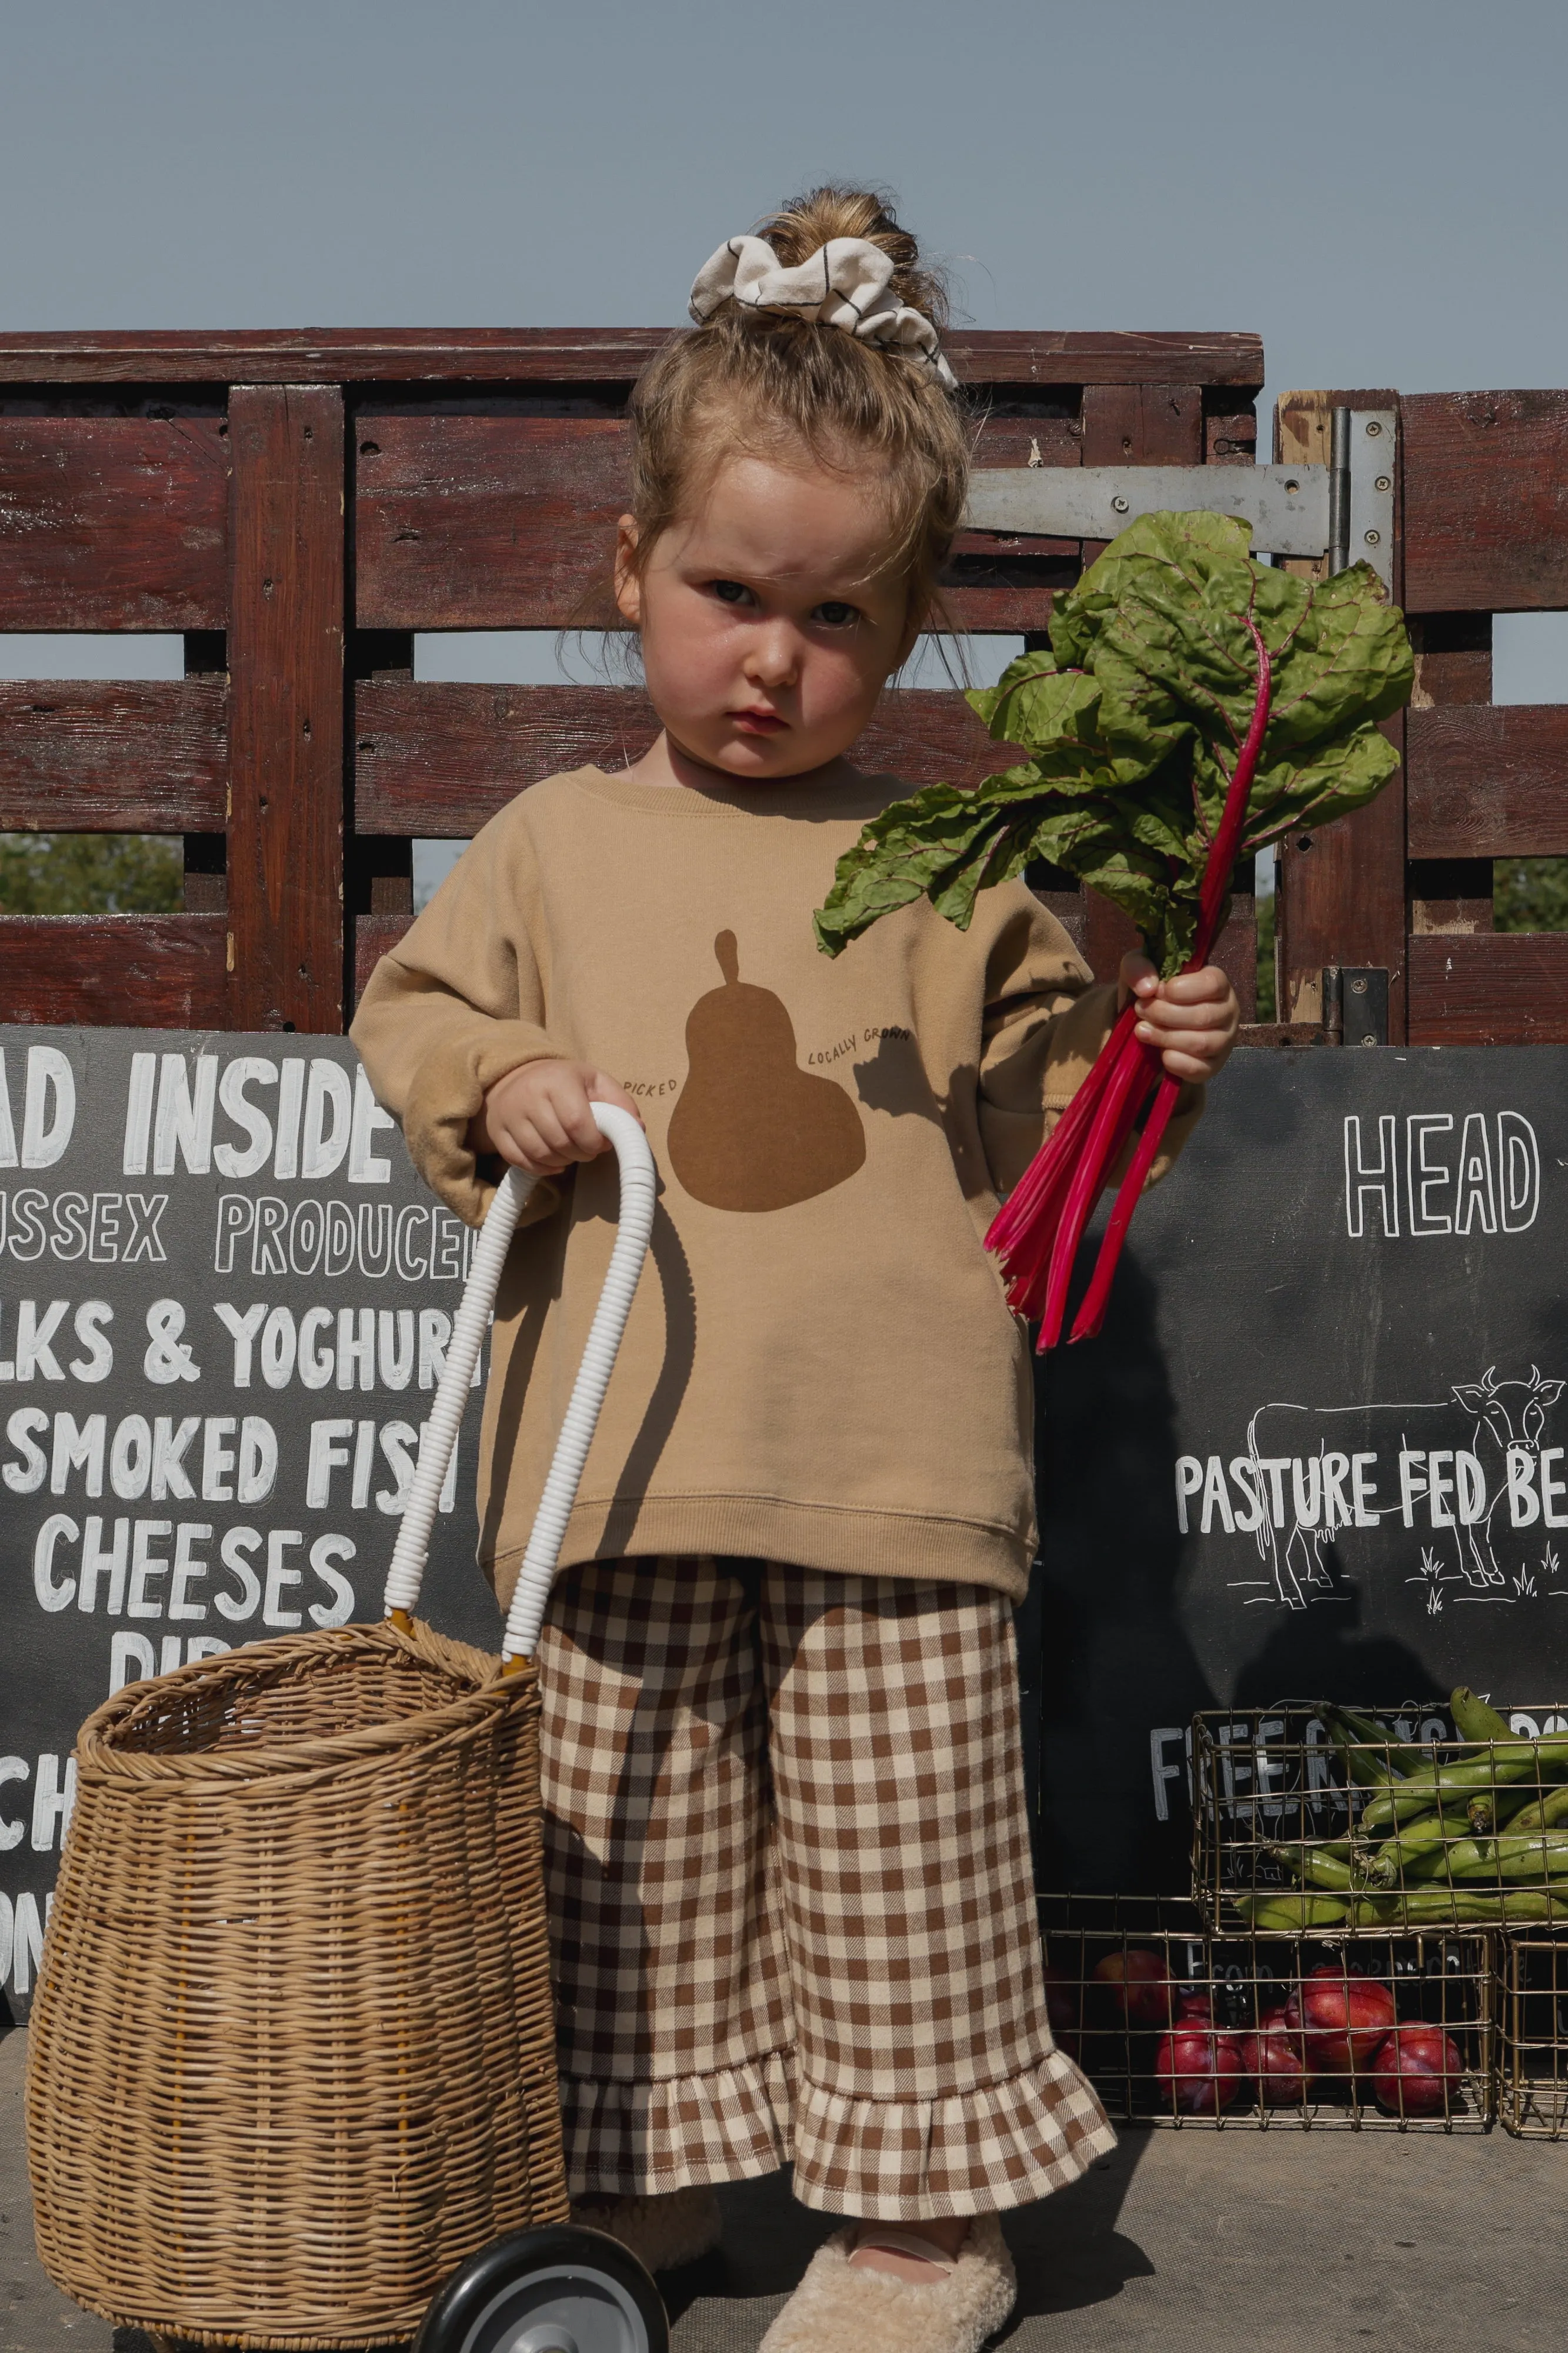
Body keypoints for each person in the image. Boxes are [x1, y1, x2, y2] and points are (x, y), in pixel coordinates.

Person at [351, 186, 1240, 2353]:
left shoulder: (959, 867)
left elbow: (1051, 1153)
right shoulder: (556, 843)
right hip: (618, 1465)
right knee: (623, 1856)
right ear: (631, 571)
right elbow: (408, 1018)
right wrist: (516, 1073)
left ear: (914, 618)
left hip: (895, 1464)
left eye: (839, 620)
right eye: (730, 594)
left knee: (902, 1870)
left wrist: (1159, 1064)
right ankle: (650, 2189)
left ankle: (930, 2224)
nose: (774, 661)